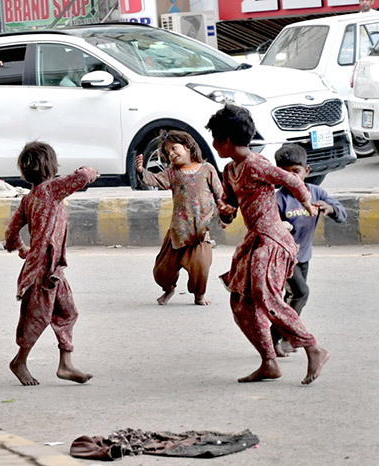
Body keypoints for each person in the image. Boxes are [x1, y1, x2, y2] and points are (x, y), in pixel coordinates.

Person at [209, 103, 330, 385]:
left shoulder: (256, 163)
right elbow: (231, 203)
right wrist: (225, 212)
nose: (214, 144)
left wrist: (307, 203)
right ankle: (269, 362)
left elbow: (290, 180)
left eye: (216, 139)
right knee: (240, 303)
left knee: (267, 295)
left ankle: (313, 347)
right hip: (255, 241)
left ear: (226, 140)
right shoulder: (230, 170)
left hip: (273, 240)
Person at [4, 141, 97, 386]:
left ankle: (65, 365)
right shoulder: (51, 190)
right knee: (37, 317)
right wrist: (92, 171)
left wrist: (21, 248)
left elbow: (11, 232)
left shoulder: (30, 198)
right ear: (51, 167)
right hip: (41, 271)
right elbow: (84, 175)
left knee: (67, 312)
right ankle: (19, 361)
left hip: (53, 270)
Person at [271, 144, 346, 357]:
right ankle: (286, 336)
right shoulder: (278, 199)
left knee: (290, 297)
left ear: (307, 171)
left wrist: (329, 208)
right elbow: (270, 227)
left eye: (295, 171)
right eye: (284, 173)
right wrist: (282, 227)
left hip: (303, 257)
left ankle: (276, 338)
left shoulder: (317, 193)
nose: (291, 177)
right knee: (301, 293)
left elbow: (342, 214)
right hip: (284, 259)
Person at [135, 130, 224, 306]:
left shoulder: (208, 169)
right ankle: (169, 289)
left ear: (189, 146)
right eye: (168, 153)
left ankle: (199, 295)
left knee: (201, 267)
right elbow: (153, 180)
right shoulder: (172, 172)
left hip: (200, 231)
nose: (172, 154)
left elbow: (219, 194)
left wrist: (223, 210)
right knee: (162, 270)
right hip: (178, 231)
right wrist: (140, 170)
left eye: (174, 148)